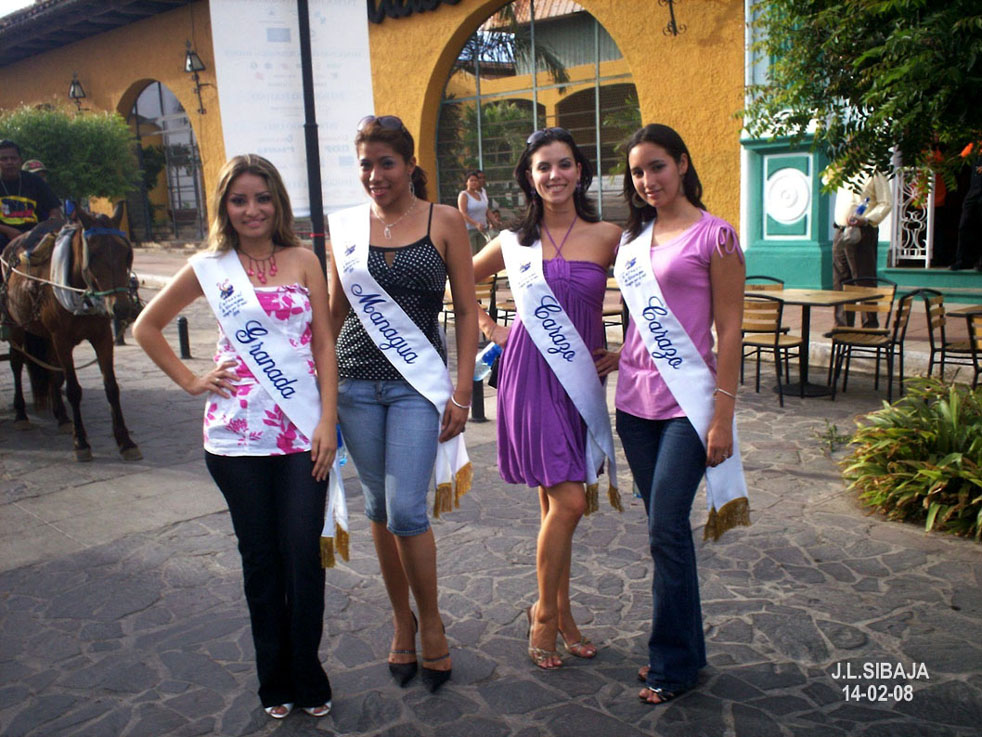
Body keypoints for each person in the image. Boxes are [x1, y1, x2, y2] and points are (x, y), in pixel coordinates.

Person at [133, 154, 337, 720]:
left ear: (278, 202)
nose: (252, 209)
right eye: (240, 199)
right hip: (236, 440)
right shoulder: (209, 265)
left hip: (301, 435)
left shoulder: (303, 260)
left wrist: (327, 420)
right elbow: (145, 327)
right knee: (262, 561)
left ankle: (309, 674)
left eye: (263, 197)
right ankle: (275, 683)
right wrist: (193, 381)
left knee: (304, 555)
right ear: (225, 205)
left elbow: (324, 344)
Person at [327, 115, 477, 693]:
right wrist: (315, 381)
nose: (374, 175)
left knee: (408, 511)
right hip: (356, 386)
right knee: (378, 511)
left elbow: (466, 310)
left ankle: (432, 622)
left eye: (385, 162)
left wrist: (463, 390)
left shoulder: (444, 220)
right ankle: (400, 621)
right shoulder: (345, 227)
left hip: (417, 388)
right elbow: (336, 312)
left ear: (410, 164)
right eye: (365, 163)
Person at [472, 127, 621, 670]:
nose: (554, 175)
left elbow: (654, 287)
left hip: (578, 378)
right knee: (571, 502)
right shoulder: (513, 240)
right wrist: (493, 330)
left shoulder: (608, 235)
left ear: (579, 170)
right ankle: (543, 615)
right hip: (529, 376)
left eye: (564, 164)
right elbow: (456, 280)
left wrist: (627, 350)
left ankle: (564, 616)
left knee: (552, 506)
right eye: (542, 167)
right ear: (529, 178)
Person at [612, 124, 748, 705]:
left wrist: (723, 417)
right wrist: (619, 353)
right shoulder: (632, 239)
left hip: (687, 407)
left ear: (684, 165)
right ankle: (686, 654)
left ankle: (670, 661)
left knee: (667, 526)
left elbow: (730, 329)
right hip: (634, 404)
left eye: (658, 167)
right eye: (638, 172)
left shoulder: (716, 236)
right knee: (662, 532)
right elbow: (641, 322)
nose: (648, 181)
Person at [827, 168, 892, 327]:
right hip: (841, 230)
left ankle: (869, 325)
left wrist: (866, 219)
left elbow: (886, 203)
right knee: (841, 280)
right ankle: (843, 325)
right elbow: (827, 180)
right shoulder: (844, 168)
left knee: (863, 280)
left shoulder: (874, 171)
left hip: (862, 231)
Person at [0, 139, 61, 251]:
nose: (9, 162)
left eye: (13, 158)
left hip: (35, 235)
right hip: (3, 236)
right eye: (4, 159)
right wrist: (10, 231)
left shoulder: (35, 181)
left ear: (20, 160)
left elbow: (55, 209)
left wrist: (47, 228)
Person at [949, 143, 982, 271]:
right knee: (965, 224)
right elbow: (959, 159)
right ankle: (963, 260)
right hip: (974, 190)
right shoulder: (974, 145)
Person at [457, 170, 491, 254]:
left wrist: (494, 221)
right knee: (472, 254)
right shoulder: (464, 195)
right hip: (470, 230)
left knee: (483, 253)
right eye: (471, 180)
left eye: (475, 180)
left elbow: (486, 209)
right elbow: (462, 213)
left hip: (482, 229)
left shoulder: (480, 194)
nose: (474, 182)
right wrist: (475, 224)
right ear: (466, 182)